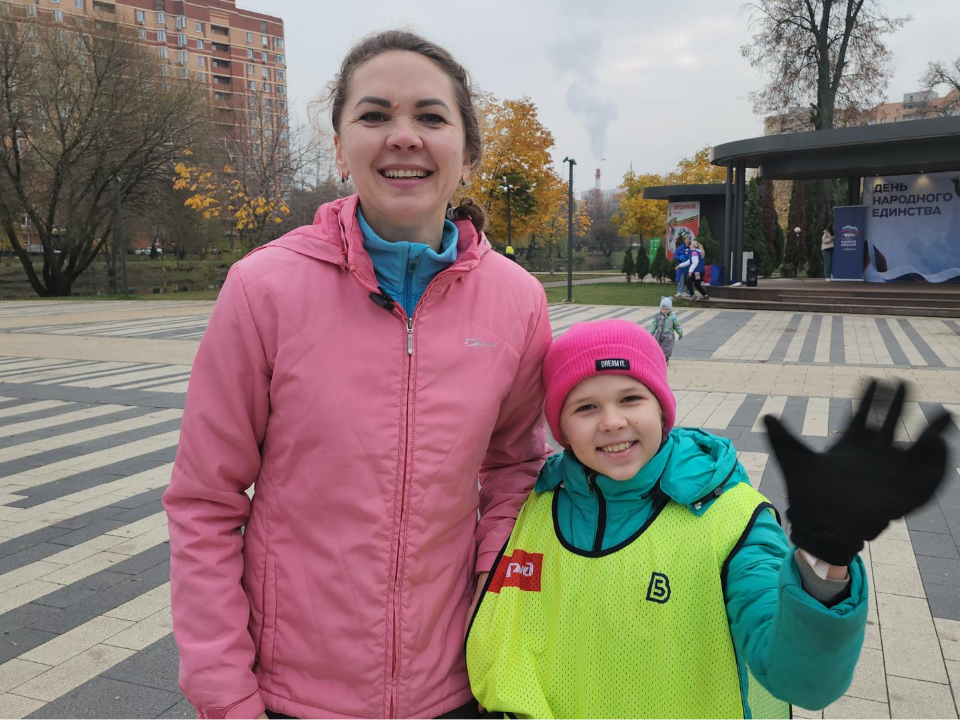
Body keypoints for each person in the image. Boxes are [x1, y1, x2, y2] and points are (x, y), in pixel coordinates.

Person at [164, 30, 552, 720]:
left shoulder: (517, 300)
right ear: (342, 148)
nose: (403, 136)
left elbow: (516, 471)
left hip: (457, 688)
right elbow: (205, 502)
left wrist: (494, 597)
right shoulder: (262, 289)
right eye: (374, 116)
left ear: (469, 154)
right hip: (291, 697)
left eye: (431, 117)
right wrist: (225, 693)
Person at [466, 319, 950, 719]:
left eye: (631, 399)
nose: (611, 422)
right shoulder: (532, 507)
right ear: (560, 426)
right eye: (586, 407)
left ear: (662, 408)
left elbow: (801, 680)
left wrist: (825, 555)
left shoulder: (732, 522)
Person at [648, 296, 683, 364]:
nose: (665, 310)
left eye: (667, 309)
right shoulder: (658, 316)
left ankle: (665, 358)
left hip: (668, 335)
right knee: (657, 346)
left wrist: (680, 332)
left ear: (670, 309)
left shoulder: (673, 317)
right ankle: (658, 358)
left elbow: (677, 325)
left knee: (667, 347)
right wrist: (651, 332)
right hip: (659, 333)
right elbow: (654, 324)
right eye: (663, 309)